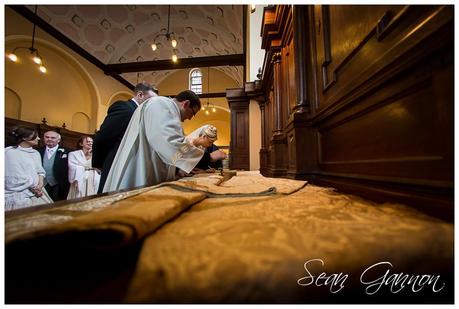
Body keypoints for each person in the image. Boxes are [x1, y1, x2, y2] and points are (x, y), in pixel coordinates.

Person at [103, 90, 226, 192]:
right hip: (140, 169)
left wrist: (178, 170)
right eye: (192, 113)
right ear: (186, 104)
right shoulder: (161, 105)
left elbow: (172, 152)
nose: (189, 118)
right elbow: (170, 145)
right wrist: (208, 157)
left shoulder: (168, 110)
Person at [92, 82, 158, 193]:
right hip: (114, 162)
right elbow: (103, 137)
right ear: (140, 95)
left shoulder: (141, 113)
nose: (152, 103)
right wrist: (99, 164)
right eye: (150, 99)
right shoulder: (125, 108)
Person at [5, 126, 53, 211]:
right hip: (19, 193)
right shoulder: (10, 152)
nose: (38, 138)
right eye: (35, 136)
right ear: (24, 137)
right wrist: (34, 188)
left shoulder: (35, 153)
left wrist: (40, 185)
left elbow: (40, 171)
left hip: (37, 190)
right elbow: (14, 177)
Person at [38, 130, 70, 201]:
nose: (49, 139)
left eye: (53, 138)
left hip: (59, 185)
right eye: (47, 137)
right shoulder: (37, 151)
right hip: (42, 184)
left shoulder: (68, 152)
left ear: (58, 140)